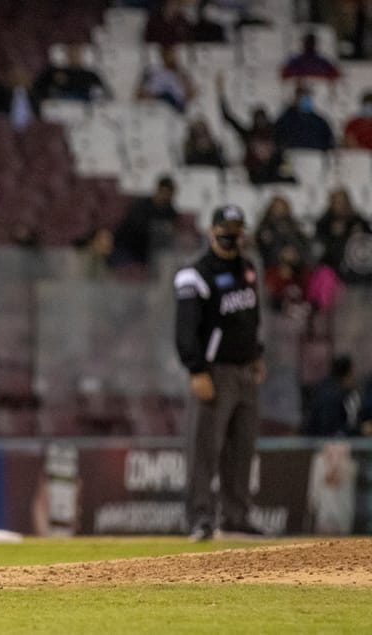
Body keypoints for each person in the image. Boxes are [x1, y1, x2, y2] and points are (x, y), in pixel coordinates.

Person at [174, 205, 266, 541]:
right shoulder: (195, 274)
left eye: (238, 228)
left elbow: (251, 317)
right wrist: (196, 369)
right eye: (227, 227)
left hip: (245, 370)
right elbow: (185, 329)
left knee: (242, 449)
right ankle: (200, 518)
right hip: (216, 371)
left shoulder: (247, 269)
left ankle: (236, 516)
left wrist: (257, 354)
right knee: (205, 448)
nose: (233, 234)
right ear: (212, 231)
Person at [109, 175, 179, 268]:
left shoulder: (170, 212)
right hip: (127, 248)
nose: (165, 196)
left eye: (169, 193)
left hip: (148, 253)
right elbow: (135, 228)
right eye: (164, 192)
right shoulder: (141, 205)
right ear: (158, 190)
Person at [303, 356, 361, 437]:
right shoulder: (331, 395)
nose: (355, 378)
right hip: (320, 444)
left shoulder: (331, 389)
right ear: (347, 374)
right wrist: (359, 430)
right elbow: (330, 432)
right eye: (352, 374)